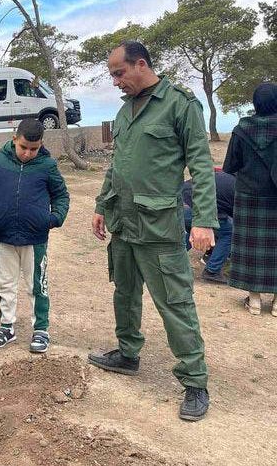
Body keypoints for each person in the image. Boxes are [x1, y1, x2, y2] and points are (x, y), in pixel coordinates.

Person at [89, 41, 218, 422]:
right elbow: (117, 164)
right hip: (124, 223)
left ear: (140, 64)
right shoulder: (125, 110)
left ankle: (195, 382)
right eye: (112, 75)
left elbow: (201, 163)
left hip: (159, 227)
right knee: (125, 292)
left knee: (175, 303)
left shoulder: (180, 104)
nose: (115, 82)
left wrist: (204, 220)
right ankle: (128, 354)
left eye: (119, 73)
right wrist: (100, 204)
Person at [0, 118, 70, 354]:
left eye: (34, 149)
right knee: (5, 283)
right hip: (4, 236)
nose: (28, 153)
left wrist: (53, 219)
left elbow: (61, 195)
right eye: (24, 147)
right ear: (14, 139)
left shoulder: (47, 165)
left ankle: (41, 330)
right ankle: (6, 327)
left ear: (40, 145)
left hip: (35, 238)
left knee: (36, 285)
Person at [223, 82, 277, 316]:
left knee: (250, 248)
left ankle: (254, 300)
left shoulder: (241, 129)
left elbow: (230, 165)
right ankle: (276, 303)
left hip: (248, 197)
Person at [182, 170, 235, 284]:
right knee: (230, 231)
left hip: (178, 203)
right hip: (192, 209)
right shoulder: (242, 190)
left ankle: (168, 261)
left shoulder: (226, 176)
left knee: (194, 231)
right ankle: (212, 271)